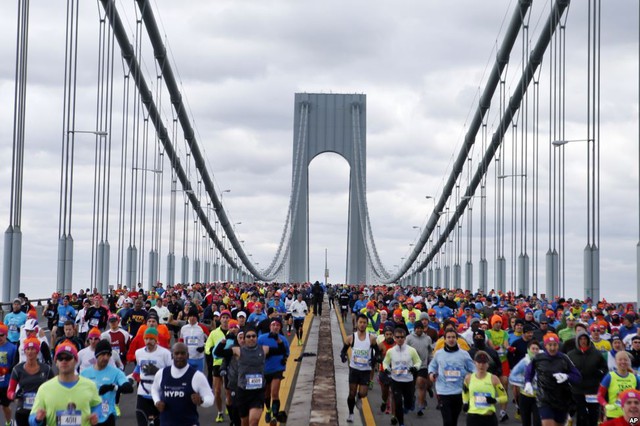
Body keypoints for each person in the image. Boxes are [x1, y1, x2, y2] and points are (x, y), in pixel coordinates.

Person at [213, 326, 287, 426]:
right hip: (243, 392)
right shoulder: (237, 351)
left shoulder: (264, 349)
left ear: (257, 337)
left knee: (253, 422)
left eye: (253, 336)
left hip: (258, 392)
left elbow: (281, 350)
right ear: (245, 338)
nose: (251, 338)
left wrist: (277, 339)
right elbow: (218, 353)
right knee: (245, 423)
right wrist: (225, 340)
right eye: (248, 336)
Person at [28, 340, 101, 426]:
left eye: (68, 358)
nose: (64, 361)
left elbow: (97, 405)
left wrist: (97, 415)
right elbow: (32, 419)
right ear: (56, 362)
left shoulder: (90, 385)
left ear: (75, 361)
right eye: (60, 358)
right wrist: (37, 419)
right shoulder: (44, 389)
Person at [524, 333, 582, 426]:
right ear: (545, 345)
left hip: (561, 399)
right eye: (550, 345)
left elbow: (578, 377)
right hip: (544, 398)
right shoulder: (538, 358)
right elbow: (529, 371)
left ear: (558, 345)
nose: (552, 348)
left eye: (555, 345)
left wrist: (567, 376)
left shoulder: (564, 358)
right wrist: (528, 382)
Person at [151, 342, 214, 426]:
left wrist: (202, 401)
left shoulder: (197, 376)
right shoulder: (162, 373)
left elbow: (210, 398)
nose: (179, 356)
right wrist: (157, 401)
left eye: (182, 353)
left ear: (187, 355)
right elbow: (154, 389)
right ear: (172, 356)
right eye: (176, 353)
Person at [80, 339, 134, 426]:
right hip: (89, 417)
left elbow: (128, 388)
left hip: (107, 417)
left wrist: (112, 387)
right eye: (103, 354)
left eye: (108, 355)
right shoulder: (84, 374)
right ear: (97, 355)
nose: (106, 358)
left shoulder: (116, 372)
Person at [429, 329, 476, 426]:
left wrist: (470, 377)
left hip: (459, 391)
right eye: (449, 337)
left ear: (457, 339)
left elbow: (473, 369)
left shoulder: (464, 354)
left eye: (453, 337)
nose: (451, 339)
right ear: (445, 340)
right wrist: (431, 374)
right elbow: (432, 366)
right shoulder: (439, 354)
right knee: (447, 421)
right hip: (443, 392)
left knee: (454, 420)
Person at [340, 314, 380, 423]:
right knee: (351, 393)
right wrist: (343, 356)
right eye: (360, 322)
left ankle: (360, 396)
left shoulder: (371, 339)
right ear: (357, 323)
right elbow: (343, 350)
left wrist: (374, 360)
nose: (362, 325)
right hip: (354, 369)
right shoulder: (351, 338)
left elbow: (378, 353)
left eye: (364, 322)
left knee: (363, 393)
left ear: (367, 324)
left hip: (366, 370)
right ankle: (351, 413)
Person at [7, 337, 54, 426]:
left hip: (40, 410)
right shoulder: (17, 369)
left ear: (37, 351)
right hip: (22, 410)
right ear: (24, 351)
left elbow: (55, 386)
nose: (30, 352)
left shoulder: (46, 369)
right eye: (28, 349)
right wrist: (14, 395)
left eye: (32, 349)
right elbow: (10, 391)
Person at [132, 327, 172, 426]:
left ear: (156, 340)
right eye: (146, 339)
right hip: (143, 392)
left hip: (159, 393)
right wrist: (133, 377)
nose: (148, 341)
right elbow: (138, 367)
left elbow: (172, 373)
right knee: (142, 421)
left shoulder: (165, 353)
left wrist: (157, 372)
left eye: (151, 339)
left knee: (160, 422)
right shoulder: (139, 353)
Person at [567, 330, 608, 426]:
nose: (583, 341)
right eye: (580, 339)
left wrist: (598, 373)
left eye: (585, 338)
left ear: (588, 340)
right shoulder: (571, 354)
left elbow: (604, 368)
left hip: (592, 389)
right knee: (581, 414)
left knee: (593, 413)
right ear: (577, 341)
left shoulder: (596, 353)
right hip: (577, 389)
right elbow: (566, 369)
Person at [382, 327, 422, 426]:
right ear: (394, 338)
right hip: (396, 381)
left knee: (408, 404)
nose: (400, 339)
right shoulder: (390, 351)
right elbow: (385, 362)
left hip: (408, 381)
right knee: (398, 403)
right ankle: (401, 423)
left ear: (405, 338)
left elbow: (418, 361)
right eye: (397, 337)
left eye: (402, 337)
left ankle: (410, 402)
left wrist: (415, 368)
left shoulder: (411, 350)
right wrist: (386, 369)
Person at [257, 319, 290, 424]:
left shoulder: (283, 339)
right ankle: (268, 410)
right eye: (273, 325)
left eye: (277, 325)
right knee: (266, 394)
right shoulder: (261, 338)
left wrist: (284, 359)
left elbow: (287, 352)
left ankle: (275, 416)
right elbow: (257, 351)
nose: (275, 327)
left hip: (277, 369)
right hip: (265, 369)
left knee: (274, 393)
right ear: (270, 327)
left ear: (280, 327)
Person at [462, 350, 508, 426]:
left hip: (488, 417)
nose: (481, 365)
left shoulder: (494, 378)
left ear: (488, 364)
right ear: (474, 363)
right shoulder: (468, 378)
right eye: (479, 362)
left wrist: (495, 400)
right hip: (473, 417)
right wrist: (465, 403)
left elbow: (504, 397)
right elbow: (465, 392)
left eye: (484, 363)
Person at [598, 351, 640, 420]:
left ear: (629, 362)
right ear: (615, 361)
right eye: (620, 360)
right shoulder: (609, 376)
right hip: (613, 415)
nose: (623, 362)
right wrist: (606, 405)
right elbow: (600, 396)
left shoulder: (634, 377)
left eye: (625, 360)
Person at [509, 340, 542, 426]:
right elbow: (512, 376)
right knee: (526, 422)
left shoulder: (543, 361)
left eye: (537, 349)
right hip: (524, 396)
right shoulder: (524, 362)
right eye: (533, 349)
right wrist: (525, 381)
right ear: (528, 350)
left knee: (538, 422)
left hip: (538, 397)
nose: (535, 351)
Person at [406, 320, 433, 416]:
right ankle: (412, 399)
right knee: (411, 387)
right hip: (411, 366)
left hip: (423, 365)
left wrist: (431, 362)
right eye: (417, 328)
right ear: (414, 329)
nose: (419, 330)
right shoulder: (409, 338)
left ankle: (420, 405)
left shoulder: (427, 338)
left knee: (421, 384)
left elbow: (430, 352)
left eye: (420, 328)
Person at [179, 307, 209, 372]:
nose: (192, 318)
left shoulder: (202, 328)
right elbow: (180, 341)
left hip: (199, 358)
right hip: (187, 358)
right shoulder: (184, 328)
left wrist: (203, 347)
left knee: (198, 379)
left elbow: (210, 341)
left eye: (194, 316)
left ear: (197, 317)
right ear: (188, 317)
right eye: (190, 316)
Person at [0, 324, 18, 425]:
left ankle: (8, 422)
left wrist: (5, 370)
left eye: (1, 335)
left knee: (4, 406)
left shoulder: (13, 348)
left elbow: (15, 366)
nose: (0, 338)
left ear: (6, 335)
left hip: (6, 383)